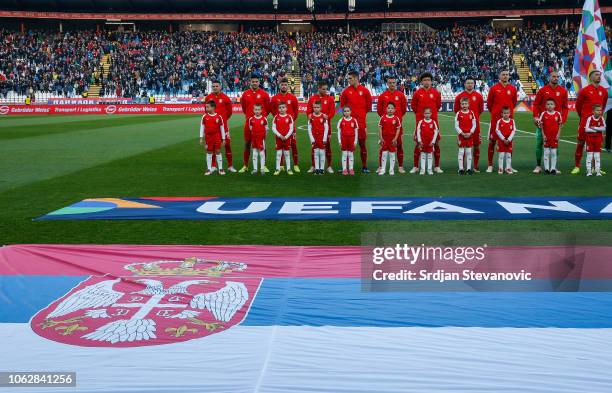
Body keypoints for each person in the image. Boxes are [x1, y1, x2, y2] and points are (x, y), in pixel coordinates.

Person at [572, 70, 608, 175]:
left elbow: (603, 105)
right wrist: (584, 117)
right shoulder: (584, 90)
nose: (599, 77)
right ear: (591, 77)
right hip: (585, 122)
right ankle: (577, 166)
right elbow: (578, 106)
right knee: (580, 143)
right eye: (596, 75)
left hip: (597, 123)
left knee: (596, 145)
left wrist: (598, 117)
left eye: (599, 75)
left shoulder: (603, 91)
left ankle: (595, 168)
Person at [531, 71, 568, 174]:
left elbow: (565, 108)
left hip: (555, 123)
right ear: (549, 78)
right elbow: (536, 104)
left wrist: (562, 120)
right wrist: (535, 117)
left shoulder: (563, 91)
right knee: (539, 143)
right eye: (554, 76)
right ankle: (538, 166)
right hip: (543, 122)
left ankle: (553, 167)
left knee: (555, 144)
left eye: (557, 77)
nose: (556, 78)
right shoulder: (543, 90)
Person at [340, 71, 372, 173]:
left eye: (350, 78)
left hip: (361, 124)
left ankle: (364, 166)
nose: (348, 80)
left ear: (356, 78)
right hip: (349, 124)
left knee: (362, 145)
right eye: (348, 78)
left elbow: (368, 107)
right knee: (347, 146)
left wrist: (361, 117)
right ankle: (347, 167)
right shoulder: (345, 92)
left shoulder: (365, 91)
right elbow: (343, 107)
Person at [410, 72, 442, 174]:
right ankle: (416, 166)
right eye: (424, 80)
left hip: (433, 123)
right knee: (418, 143)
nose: (426, 82)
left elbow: (438, 106)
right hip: (420, 123)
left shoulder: (436, 93)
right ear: (421, 82)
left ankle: (436, 166)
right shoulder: (417, 93)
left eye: (428, 80)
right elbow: (413, 106)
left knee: (435, 143)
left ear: (431, 81)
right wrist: (420, 117)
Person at [486, 70, 517, 173]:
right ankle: (490, 165)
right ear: (499, 76)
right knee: (492, 141)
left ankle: (509, 166)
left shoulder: (513, 88)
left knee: (509, 141)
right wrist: (495, 113)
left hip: (508, 121)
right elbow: (489, 104)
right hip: (496, 120)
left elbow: (514, 102)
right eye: (503, 74)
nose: (505, 76)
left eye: (507, 75)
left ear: (509, 76)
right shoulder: (494, 88)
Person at [239, 75, 271, 174]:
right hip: (249, 122)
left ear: (259, 82)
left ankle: (263, 165)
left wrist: (262, 118)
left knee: (262, 145)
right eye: (253, 81)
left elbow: (268, 108)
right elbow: (244, 108)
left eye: (256, 81)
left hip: (260, 124)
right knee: (247, 143)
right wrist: (250, 117)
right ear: (250, 82)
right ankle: (245, 165)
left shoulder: (264, 94)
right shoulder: (245, 94)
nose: (255, 83)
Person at [377, 76, 407, 173]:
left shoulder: (401, 95)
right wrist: (387, 120)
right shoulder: (382, 95)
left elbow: (403, 110)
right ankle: (381, 166)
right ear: (387, 83)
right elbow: (379, 110)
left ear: (396, 83)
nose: (392, 84)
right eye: (390, 82)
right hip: (386, 128)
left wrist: (395, 119)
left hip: (397, 126)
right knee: (383, 146)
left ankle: (400, 166)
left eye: (393, 82)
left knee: (399, 145)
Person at [454, 77, 484, 171]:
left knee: (476, 145)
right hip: (463, 127)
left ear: (474, 84)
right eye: (468, 83)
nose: (470, 84)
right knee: (462, 147)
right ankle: (461, 167)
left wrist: (472, 119)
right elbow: (456, 110)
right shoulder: (459, 96)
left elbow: (480, 110)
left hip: (475, 126)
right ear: (464, 84)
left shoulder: (478, 96)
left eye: (471, 83)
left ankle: (475, 166)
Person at [205, 80, 235, 172]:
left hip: (223, 127)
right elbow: (206, 111)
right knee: (213, 146)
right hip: (212, 128)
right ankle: (213, 166)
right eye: (213, 86)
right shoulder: (209, 98)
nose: (215, 87)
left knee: (227, 145)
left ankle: (230, 166)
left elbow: (229, 112)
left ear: (220, 87)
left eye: (216, 86)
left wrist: (223, 121)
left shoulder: (225, 98)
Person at [271, 78, 300, 172]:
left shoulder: (293, 97)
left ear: (288, 86)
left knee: (293, 144)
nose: (284, 86)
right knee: (280, 145)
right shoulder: (275, 98)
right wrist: (279, 121)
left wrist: (289, 121)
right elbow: (272, 111)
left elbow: (296, 112)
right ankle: (281, 165)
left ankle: (295, 164)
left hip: (290, 126)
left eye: (285, 85)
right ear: (279, 86)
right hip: (279, 127)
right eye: (282, 84)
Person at [307, 81, 336, 173]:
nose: (325, 90)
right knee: (314, 146)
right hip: (315, 127)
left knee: (327, 146)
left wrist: (327, 117)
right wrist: (310, 117)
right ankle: (313, 165)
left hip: (326, 127)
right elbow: (308, 111)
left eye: (326, 89)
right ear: (318, 88)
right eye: (323, 89)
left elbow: (332, 112)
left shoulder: (330, 99)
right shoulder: (312, 98)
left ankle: (329, 166)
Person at [199, 100, 227, 176]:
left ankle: (221, 169)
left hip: (217, 137)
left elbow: (222, 128)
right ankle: (209, 168)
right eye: (206, 107)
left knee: (218, 151)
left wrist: (223, 139)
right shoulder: (204, 116)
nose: (206, 108)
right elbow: (202, 127)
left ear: (213, 107)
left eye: (208, 107)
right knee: (209, 152)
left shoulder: (219, 117)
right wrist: (201, 137)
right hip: (208, 137)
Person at [536, 98, 563, 175]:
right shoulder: (543, 114)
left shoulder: (558, 114)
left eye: (551, 104)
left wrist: (558, 135)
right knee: (546, 153)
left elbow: (560, 125)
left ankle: (553, 169)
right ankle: (547, 169)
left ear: (554, 105)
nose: (550, 106)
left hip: (554, 137)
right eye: (548, 104)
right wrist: (543, 135)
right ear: (545, 106)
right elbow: (541, 126)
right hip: (546, 137)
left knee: (554, 153)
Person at [378, 102, 402, 176]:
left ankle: (391, 170)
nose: (390, 110)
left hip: (392, 139)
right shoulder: (383, 117)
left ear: (394, 110)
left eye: (392, 108)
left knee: (392, 154)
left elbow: (398, 129)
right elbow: (380, 128)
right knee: (384, 154)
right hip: (385, 139)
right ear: (386, 109)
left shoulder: (396, 118)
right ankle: (383, 169)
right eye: (389, 108)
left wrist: (395, 138)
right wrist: (381, 138)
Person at [454, 97, 477, 175]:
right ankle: (461, 169)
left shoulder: (471, 113)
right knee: (461, 152)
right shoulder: (458, 113)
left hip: (469, 135)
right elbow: (456, 126)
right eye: (462, 104)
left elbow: (474, 124)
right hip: (461, 136)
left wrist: (470, 133)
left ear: (468, 104)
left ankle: (469, 169)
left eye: (466, 104)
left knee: (468, 152)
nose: (464, 105)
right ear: (460, 105)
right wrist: (462, 133)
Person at [272, 101, 294, 176]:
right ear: (278, 109)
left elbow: (291, 128)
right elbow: (273, 128)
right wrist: (279, 135)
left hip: (287, 139)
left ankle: (289, 168)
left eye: (283, 107)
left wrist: (286, 136)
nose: (281, 109)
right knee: (278, 154)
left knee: (287, 153)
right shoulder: (276, 117)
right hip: (279, 139)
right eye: (280, 108)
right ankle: (277, 168)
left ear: (286, 108)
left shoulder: (289, 117)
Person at [416, 108, 439, 175]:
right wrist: (419, 141)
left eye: (428, 113)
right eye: (426, 113)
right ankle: (422, 170)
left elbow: (436, 132)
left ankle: (429, 169)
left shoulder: (433, 122)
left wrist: (433, 141)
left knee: (429, 156)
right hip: (423, 142)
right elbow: (418, 131)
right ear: (423, 114)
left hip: (430, 143)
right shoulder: (421, 122)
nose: (427, 115)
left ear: (431, 114)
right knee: (423, 155)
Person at [308, 101, 329, 175]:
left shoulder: (323, 116)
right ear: (313, 108)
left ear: (321, 108)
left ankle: (322, 169)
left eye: (317, 107)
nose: (316, 109)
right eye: (314, 107)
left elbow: (326, 128)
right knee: (316, 152)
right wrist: (312, 139)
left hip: (321, 137)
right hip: (314, 138)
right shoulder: (311, 116)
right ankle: (317, 169)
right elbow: (309, 128)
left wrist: (324, 139)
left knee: (322, 153)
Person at [584, 104, 606, 176]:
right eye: (597, 110)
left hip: (598, 140)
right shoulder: (590, 118)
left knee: (597, 155)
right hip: (590, 140)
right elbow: (586, 129)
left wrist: (595, 128)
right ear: (593, 111)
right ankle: (589, 171)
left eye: (600, 110)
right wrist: (597, 130)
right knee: (589, 155)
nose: (599, 112)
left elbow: (604, 128)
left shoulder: (601, 118)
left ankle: (598, 171)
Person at [337, 106, 359, 175]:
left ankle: (351, 169)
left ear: (350, 111)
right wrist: (339, 141)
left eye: (348, 111)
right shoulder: (341, 120)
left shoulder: (354, 120)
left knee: (350, 154)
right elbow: (339, 132)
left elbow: (356, 132)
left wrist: (355, 141)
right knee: (344, 154)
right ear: (343, 112)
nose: (346, 112)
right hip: (344, 139)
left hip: (351, 140)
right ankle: (344, 169)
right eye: (345, 111)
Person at [248, 104, 268, 175]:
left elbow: (266, 129)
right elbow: (251, 128)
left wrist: (263, 137)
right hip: (254, 139)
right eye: (256, 109)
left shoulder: (264, 119)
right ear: (253, 110)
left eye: (258, 109)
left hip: (261, 140)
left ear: (261, 110)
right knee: (255, 154)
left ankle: (262, 168)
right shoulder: (251, 119)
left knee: (262, 154)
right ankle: (255, 169)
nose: (257, 111)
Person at [495, 107, 516, 175]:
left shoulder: (512, 121)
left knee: (508, 155)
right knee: (501, 155)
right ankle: (500, 168)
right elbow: (497, 130)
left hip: (509, 141)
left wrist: (509, 139)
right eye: (504, 113)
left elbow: (514, 130)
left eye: (507, 113)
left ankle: (508, 168)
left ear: (510, 114)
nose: (506, 114)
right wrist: (503, 139)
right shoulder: (499, 121)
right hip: (502, 141)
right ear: (502, 114)